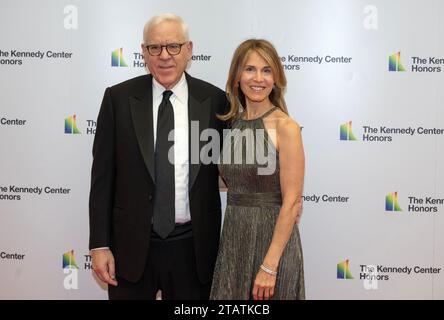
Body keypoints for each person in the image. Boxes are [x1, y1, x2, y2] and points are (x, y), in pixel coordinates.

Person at [89, 13, 228, 300]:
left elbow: (234, 168)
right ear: (144, 52)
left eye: (173, 47)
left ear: (189, 50)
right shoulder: (118, 99)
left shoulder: (215, 101)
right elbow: (102, 178)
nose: (164, 56)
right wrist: (100, 244)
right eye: (155, 48)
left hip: (194, 248)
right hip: (131, 247)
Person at [210, 39, 305, 300]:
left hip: (272, 244)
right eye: (250, 69)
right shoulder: (232, 124)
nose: (258, 78)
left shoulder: (286, 127)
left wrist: (269, 266)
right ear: (237, 75)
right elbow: (233, 178)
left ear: (276, 78)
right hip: (234, 239)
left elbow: (292, 201)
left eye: (267, 70)